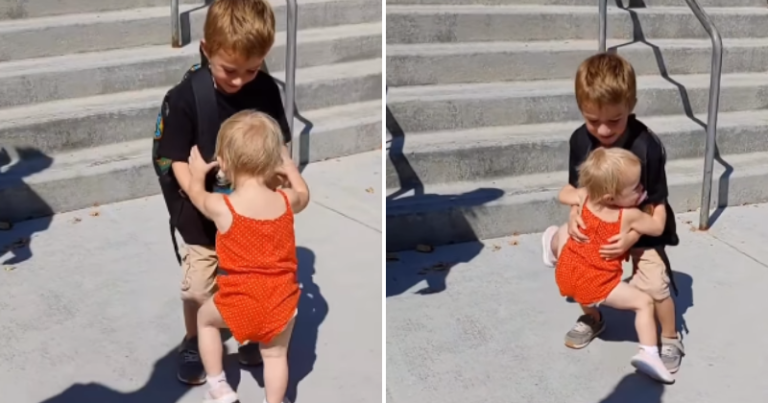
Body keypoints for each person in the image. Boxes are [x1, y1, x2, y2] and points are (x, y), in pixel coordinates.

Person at [155, 0, 292, 384]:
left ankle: (250, 330)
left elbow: (278, 143)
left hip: (250, 217)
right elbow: (175, 157)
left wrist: (281, 177)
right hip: (202, 212)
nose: (240, 80)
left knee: (251, 281)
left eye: (252, 68)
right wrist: (198, 191)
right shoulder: (186, 96)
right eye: (230, 70)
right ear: (205, 49)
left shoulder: (264, 90)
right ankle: (193, 336)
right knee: (199, 285)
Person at [540, 53, 684, 373]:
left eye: (614, 120)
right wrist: (575, 213)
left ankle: (671, 337)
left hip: (640, 225)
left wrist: (629, 238)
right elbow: (577, 189)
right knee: (572, 259)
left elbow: (655, 203)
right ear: (581, 108)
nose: (603, 130)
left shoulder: (647, 146)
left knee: (655, 283)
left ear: (630, 104)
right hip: (599, 225)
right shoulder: (580, 139)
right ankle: (593, 318)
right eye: (592, 120)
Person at [186, 111, 310, 403]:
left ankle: (219, 386)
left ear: (224, 163)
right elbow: (303, 194)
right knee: (276, 355)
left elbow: (195, 196)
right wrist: (291, 169)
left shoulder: (223, 206)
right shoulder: (286, 200)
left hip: (240, 300)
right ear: (272, 162)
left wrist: (197, 175)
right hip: (282, 299)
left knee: (205, 320)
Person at [553, 147, 673, 383]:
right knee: (644, 303)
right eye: (635, 187)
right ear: (611, 197)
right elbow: (657, 227)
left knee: (580, 288)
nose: (642, 189)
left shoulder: (586, 195)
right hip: (598, 283)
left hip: (566, 272)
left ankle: (594, 318)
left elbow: (562, 194)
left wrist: (575, 208)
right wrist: (659, 203)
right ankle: (649, 354)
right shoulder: (628, 215)